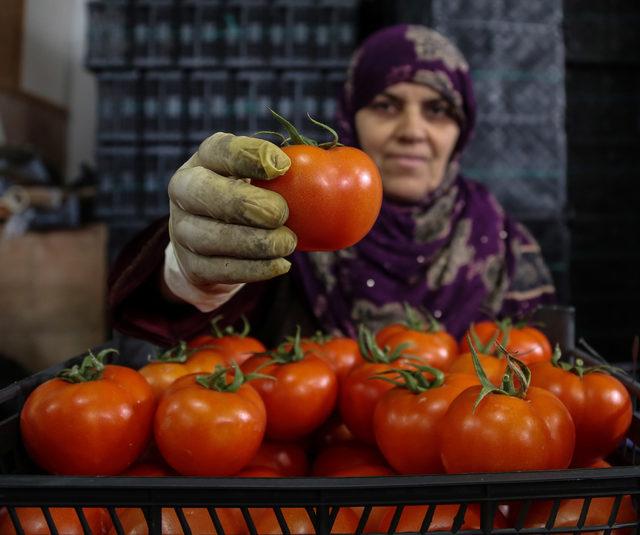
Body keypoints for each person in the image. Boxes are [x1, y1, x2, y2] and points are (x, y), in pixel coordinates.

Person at [108, 24, 555, 349]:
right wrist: (189, 272)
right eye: (385, 105)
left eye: (437, 110)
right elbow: (175, 319)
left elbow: (537, 369)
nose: (412, 131)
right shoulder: (289, 223)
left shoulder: (505, 247)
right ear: (349, 116)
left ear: (463, 130)